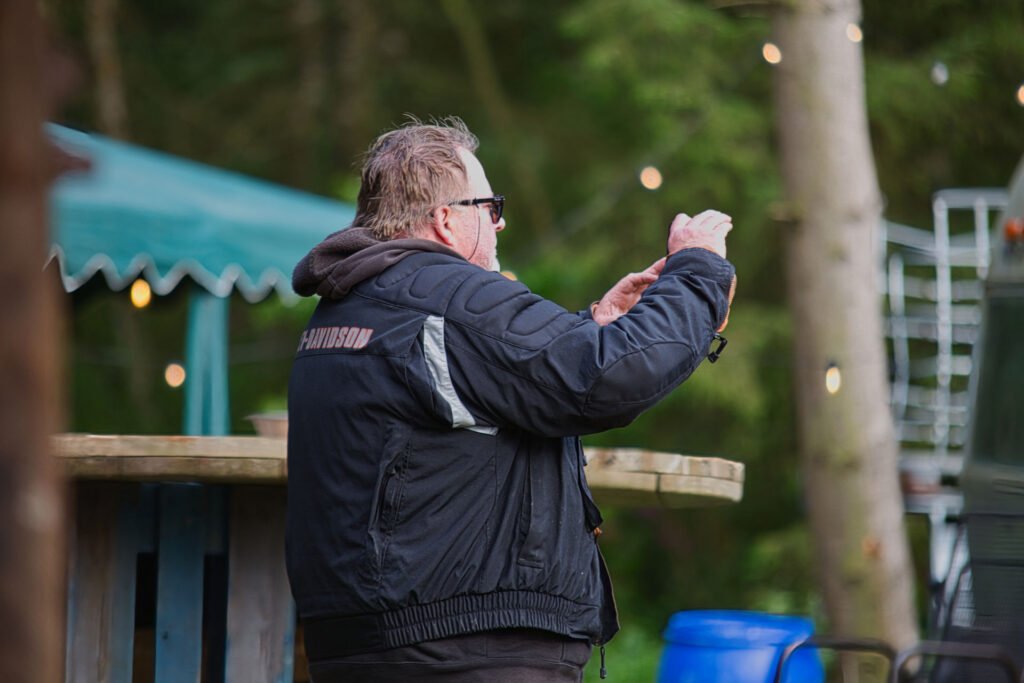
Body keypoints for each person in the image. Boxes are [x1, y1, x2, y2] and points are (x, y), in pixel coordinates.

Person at [286, 117, 736, 683]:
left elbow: (495, 387)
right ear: (447, 220)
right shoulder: (452, 299)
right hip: (467, 651)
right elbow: (611, 379)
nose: (502, 223)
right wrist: (697, 271)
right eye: (491, 207)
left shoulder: (351, 306)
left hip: (365, 647)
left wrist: (593, 326)